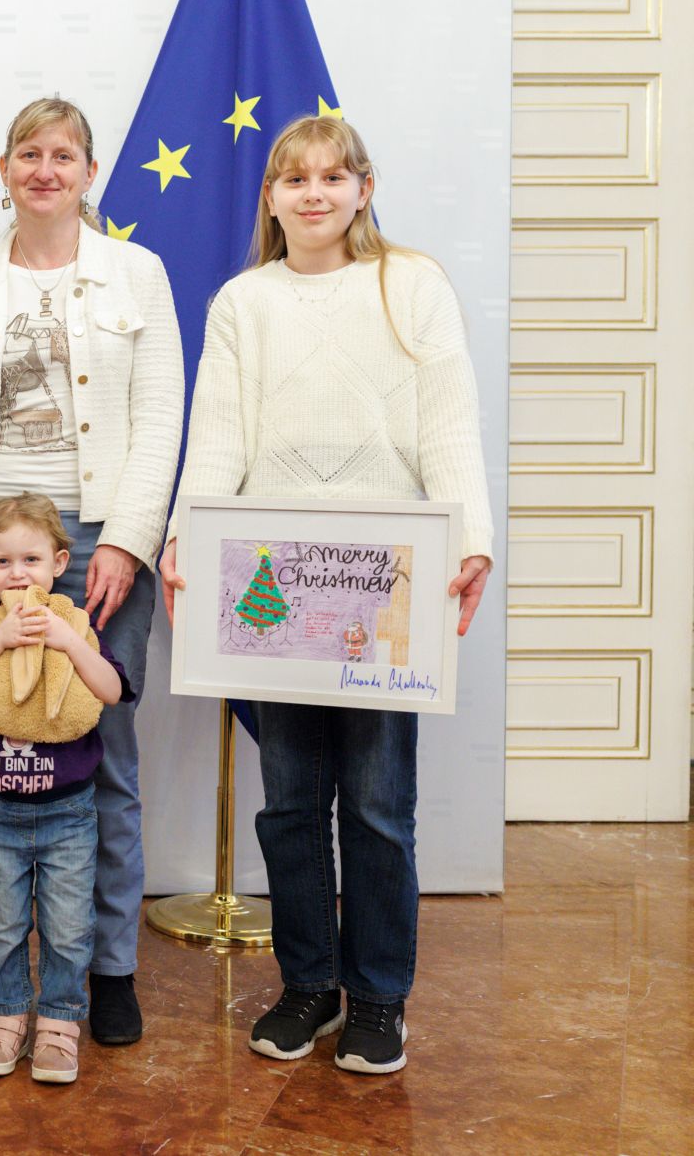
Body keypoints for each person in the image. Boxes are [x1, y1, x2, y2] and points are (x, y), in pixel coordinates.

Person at [159, 115, 494, 1076]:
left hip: (387, 580)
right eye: (295, 179)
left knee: (379, 804)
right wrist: (184, 534)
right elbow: (218, 433)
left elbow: (449, 424)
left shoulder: (413, 285)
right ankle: (308, 984)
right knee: (292, 803)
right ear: (270, 197)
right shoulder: (242, 302)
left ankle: (380, 998)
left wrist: (471, 541)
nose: (314, 193)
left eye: (333, 177)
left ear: (363, 188)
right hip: (274, 581)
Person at [0, 96, 183, 1046]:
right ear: (4, 169)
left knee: (102, 751)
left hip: (101, 537)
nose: (45, 170)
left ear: (89, 172)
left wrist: (128, 539)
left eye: (63, 155)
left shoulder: (138, 274)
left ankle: (106, 968)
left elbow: (160, 413)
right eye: (28, 154)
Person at [0, 494, 133, 1084]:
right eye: (1, 562)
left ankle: (60, 1023)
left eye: (31, 560)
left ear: (58, 563)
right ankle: (5, 1015)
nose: (17, 574)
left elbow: (111, 692)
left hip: (70, 812)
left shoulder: (77, 624)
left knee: (69, 928)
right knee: (0, 925)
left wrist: (69, 642)